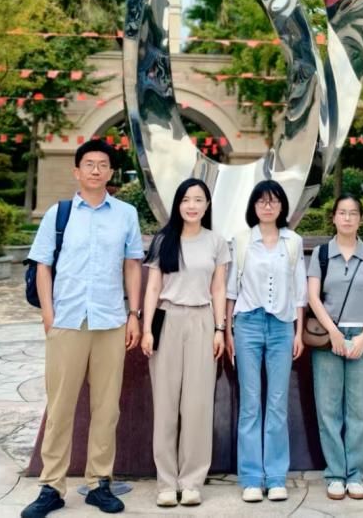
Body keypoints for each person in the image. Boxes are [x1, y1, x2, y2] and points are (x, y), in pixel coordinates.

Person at [22, 140, 143, 518]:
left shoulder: (125, 214)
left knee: (106, 407)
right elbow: (42, 265)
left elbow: (132, 264)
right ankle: (51, 487)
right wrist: (48, 313)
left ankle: (98, 483)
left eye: (102, 164)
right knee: (60, 407)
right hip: (67, 320)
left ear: (111, 173)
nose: (95, 170)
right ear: (77, 171)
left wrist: (135, 313)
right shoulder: (58, 214)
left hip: (110, 320)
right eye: (88, 164)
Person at [141, 178, 230, 508]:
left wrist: (220, 329)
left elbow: (219, 289)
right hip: (167, 319)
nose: (192, 205)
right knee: (165, 404)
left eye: (198, 200)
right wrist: (147, 329)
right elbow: (152, 288)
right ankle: (166, 482)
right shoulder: (163, 240)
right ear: (177, 204)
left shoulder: (216, 242)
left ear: (207, 205)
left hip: (202, 320)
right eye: (186, 200)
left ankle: (191, 481)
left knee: (197, 405)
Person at [225, 180, 307, 504]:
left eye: (273, 201)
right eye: (261, 201)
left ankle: (275, 477)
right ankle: (250, 478)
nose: (268, 206)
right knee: (250, 403)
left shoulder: (293, 242)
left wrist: (298, 332)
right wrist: (228, 331)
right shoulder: (242, 240)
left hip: (282, 326)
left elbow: (299, 290)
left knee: (276, 403)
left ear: (282, 206)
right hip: (247, 324)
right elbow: (231, 289)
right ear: (254, 206)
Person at [307, 193, 363, 501]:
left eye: (353, 213)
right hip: (329, 338)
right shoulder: (322, 254)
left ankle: (355, 475)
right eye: (342, 212)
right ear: (334, 218)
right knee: (328, 410)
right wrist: (334, 332)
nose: (348, 218)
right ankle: (335, 475)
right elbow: (313, 297)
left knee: (360, 410)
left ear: (361, 219)